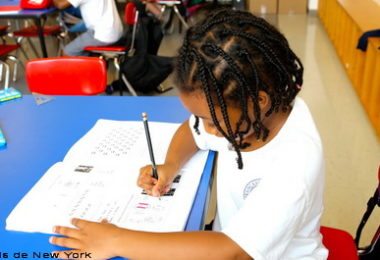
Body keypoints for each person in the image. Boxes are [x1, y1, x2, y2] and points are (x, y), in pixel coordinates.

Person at [49, 9, 328, 259]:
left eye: (209, 120)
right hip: (231, 237)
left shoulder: (295, 164)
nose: (205, 128)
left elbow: (233, 252)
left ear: (258, 101)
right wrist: (170, 165)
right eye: (200, 117)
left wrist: (116, 239)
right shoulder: (247, 113)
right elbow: (191, 132)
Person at [53, 0, 123, 56]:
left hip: (103, 35)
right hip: (116, 30)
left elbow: (60, 5)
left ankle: (90, 67)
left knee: (66, 53)